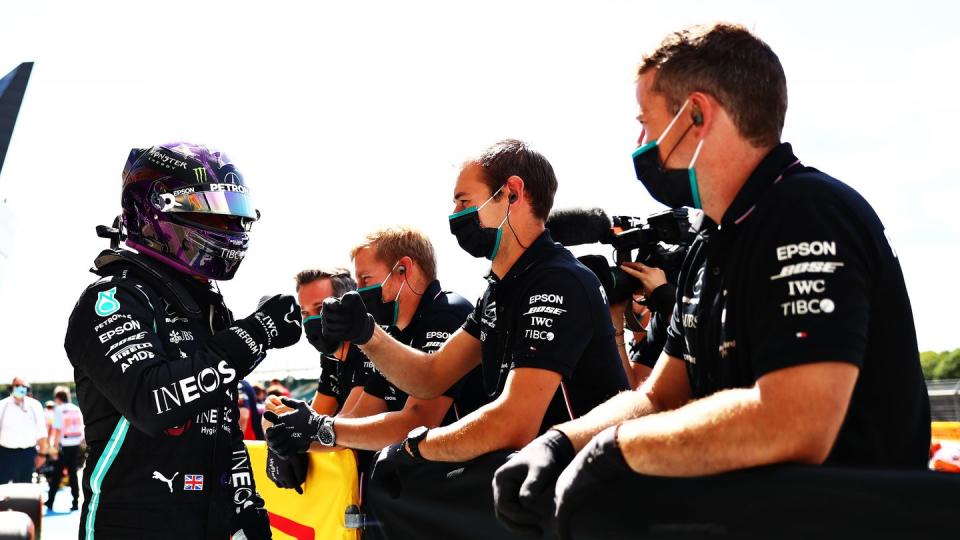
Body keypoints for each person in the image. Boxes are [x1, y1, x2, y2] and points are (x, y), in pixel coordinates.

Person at [491, 23, 933, 539]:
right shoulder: (709, 244)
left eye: (646, 122)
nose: (640, 144)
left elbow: (796, 419)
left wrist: (617, 449)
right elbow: (658, 397)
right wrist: (562, 442)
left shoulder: (809, 213)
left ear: (696, 115)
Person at [319, 139, 629, 539]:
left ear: (512, 194)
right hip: (538, 489)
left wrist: (416, 447)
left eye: (464, 202)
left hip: (584, 499)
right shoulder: (500, 290)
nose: (454, 215)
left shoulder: (558, 280)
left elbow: (514, 423)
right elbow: (432, 375)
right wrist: (366, 334)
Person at [63, 142, 302, 539]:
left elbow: (222, 427)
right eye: (215, 215)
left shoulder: (204, 306)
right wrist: (255, 334)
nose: (231, 229)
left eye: (235, 218)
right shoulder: (112, 299)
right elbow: (151, 400)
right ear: (157, 212)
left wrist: (246, 509)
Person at [264, 227, 482, 500]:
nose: (359, 293)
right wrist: (292, 440)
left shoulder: (447, 312)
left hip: (468, 492)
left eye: (366, 280)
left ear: (404, 270)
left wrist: (316, 431)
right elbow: (353, 421)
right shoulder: (395, 336)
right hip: (427, 494)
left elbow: (418, 422)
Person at [0, 377, 48, 484]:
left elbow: (42, 431)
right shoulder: (2, 405)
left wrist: (42, 454)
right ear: (11, 387)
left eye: (24, 386)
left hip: (27, 454)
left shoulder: (35, 405)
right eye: (17, 386)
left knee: (23, 489)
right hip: (4, 453)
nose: (20, 388)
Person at [45, 386, 85, 512]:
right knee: (73, 473)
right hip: (76, 444)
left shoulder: (59, 410)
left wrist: (54, 448)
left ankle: (50, 501)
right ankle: (76, 501)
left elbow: (57, 430)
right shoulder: (76, 408)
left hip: (64, 445)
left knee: (57, 474)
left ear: (57, 398)